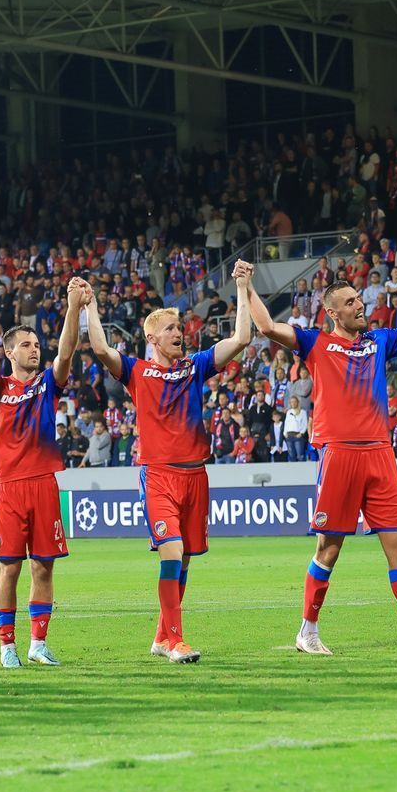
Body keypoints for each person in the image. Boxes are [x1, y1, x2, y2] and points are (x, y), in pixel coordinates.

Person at [248, 261, 397, 657]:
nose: (359, 305)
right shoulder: (316, 343)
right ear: (332, 312)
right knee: (328, 548)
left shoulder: (379, 340)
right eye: (350, 302)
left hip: (379, 454)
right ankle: (308, 631)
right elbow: (266, 327)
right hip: (339, 453)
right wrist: (246, 287)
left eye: (359, 299)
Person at [83, 261, 255, 663]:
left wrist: (243, 287)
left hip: (196, 475)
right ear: (151, 337)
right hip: (158, 475)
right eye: (171, 330)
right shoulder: (137, 372)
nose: (179, 334)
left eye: (180, 329)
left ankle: (162, 636)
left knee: (186, 559)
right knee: (172, 552)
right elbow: (101, 348)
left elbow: (242, 337)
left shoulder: (193, 368)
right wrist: (90, 305)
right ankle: (176, 640)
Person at [0, 280, 85, 667]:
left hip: (44, 484)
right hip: (9, 487)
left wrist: (73, 309)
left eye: (36, 345)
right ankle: (7, 647)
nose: (34, 349)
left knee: (43, 565)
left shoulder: (47, 385)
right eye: (26, 345)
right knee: (9, 566)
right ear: (8, 352)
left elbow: (66, 352)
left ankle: (38, 643)